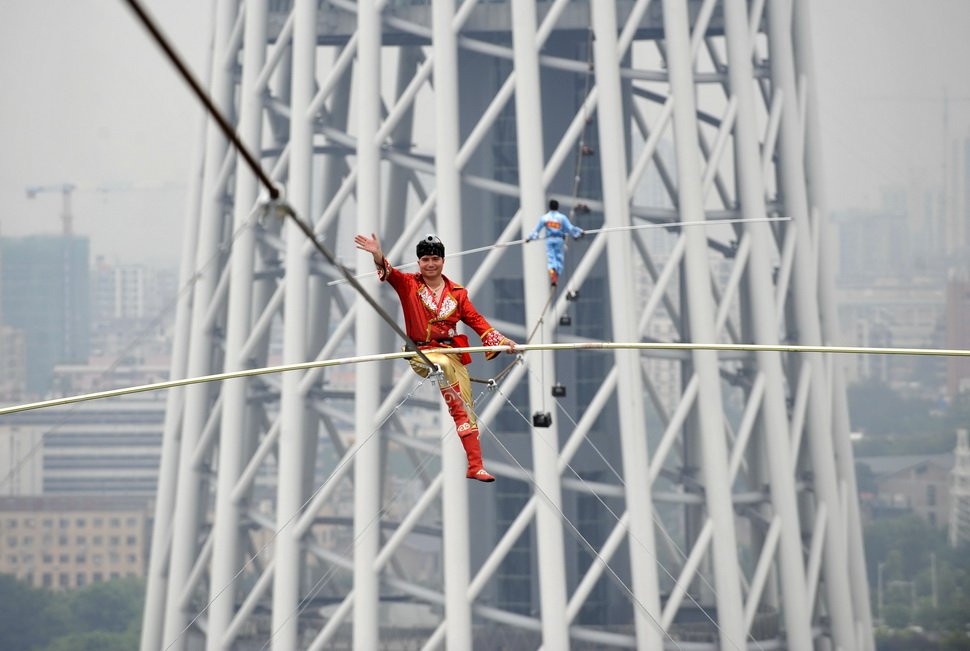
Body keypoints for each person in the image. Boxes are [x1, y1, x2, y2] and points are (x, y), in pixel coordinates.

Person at [353, 232, 517, 483]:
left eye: (435, 259)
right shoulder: (409, 285)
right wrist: (377, 254)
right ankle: (450, 395)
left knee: (466, 411)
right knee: (439, 367)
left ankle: (475, 466)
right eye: (426, 259)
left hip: (452, 355)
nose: (430, 264)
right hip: (424, 355)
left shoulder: (458, 293)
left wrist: (502, 341)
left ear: (443, 261)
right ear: (419, 263)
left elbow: (476, 320)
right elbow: (390, 274)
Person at [526, 199, 585, 286]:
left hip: (549, 240)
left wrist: (530, 238)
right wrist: (579, 232)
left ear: (549, 207)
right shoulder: (562, 218)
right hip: (559, 240)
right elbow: (570, 228)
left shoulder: (545, 218)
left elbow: (536, 231)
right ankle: (556, 273)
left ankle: (552, 273)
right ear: (558, 207)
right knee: (559, 259)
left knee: (551, 259)